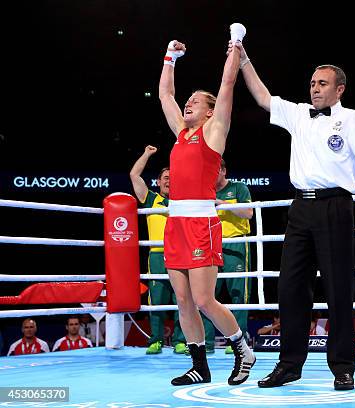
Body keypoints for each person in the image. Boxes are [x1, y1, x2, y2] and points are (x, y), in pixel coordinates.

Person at [231, 40, 355, 391]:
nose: (315, 89)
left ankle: (343, 367)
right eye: (313, 83)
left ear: (339, 89)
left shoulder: (353, 119)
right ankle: (289, 365)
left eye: (322, 83)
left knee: (339, 288)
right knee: (290, 288)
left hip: (337, 206)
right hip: (300, 207)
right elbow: (263, 97)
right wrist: (244, 60)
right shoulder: (298, 114)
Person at [158, 27, 255, 387]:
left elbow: (228, 86)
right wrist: (170, 57)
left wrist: (235, 44)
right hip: (175, 223)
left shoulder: (214, 132)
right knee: (183, 300)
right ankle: (199, 365)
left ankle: (243, 350)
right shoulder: (181, 133)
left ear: (211, 111)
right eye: (190, 101)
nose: (188, 104)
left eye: (196, 101)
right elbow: (165, 94)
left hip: (201, 220)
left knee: (203, 299)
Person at [130, 146, 187, 355]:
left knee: (181, 299)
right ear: (159, 181)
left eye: (173, 177)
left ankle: (181, 341)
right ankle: (156, 340)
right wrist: (146, 153)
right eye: (165, 177)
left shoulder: (183, 202)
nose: (169, 180)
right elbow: (134, 175)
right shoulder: (151, 198)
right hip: (156, 255)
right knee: (157, 299)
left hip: (180, 254)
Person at [204, 158, 253, 354]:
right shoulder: (204, 190)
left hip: (235, 243)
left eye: (215, 170)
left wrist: (221, 203)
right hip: (209, 243)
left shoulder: (239, 188)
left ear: (223, 171)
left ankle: (238, 343)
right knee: (206, 295)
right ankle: (206, 344)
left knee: (238, 294)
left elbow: (248, 213)